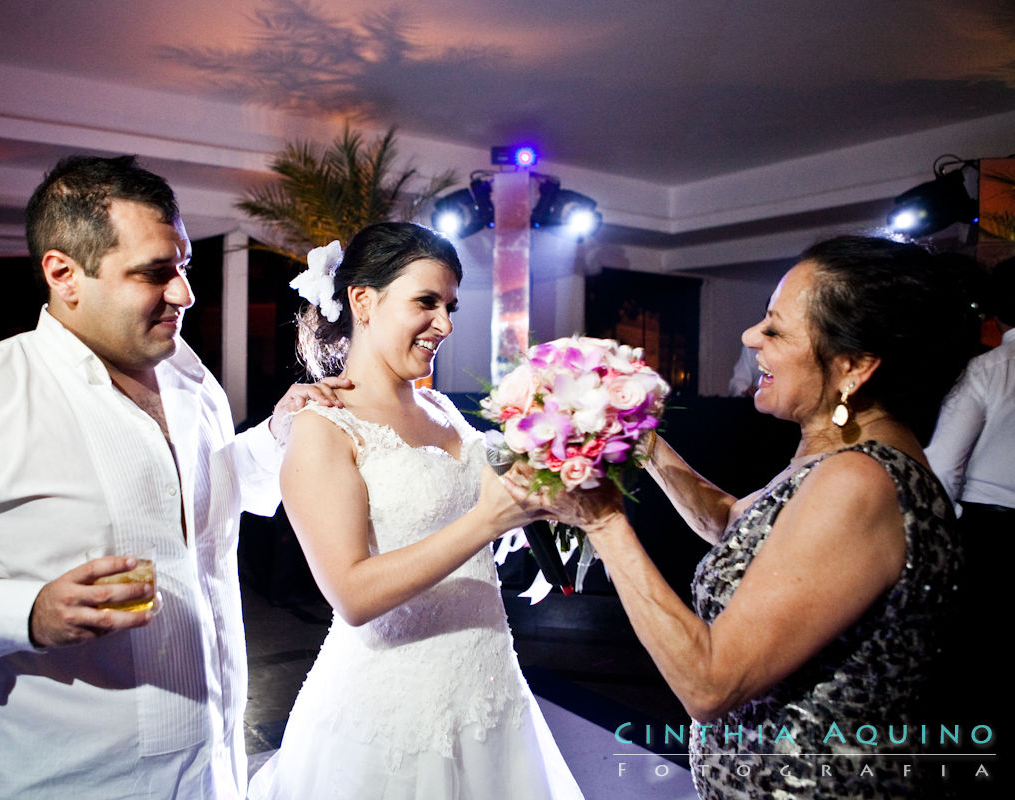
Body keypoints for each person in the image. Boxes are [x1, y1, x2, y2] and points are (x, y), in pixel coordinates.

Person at [0, 155, 345, 798]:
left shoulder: (187, 373)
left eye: (183, 266)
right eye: (156, 272)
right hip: (69, 777)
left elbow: (206, 499)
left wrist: (275, 435)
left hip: (216, 764)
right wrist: (26, 610)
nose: (184, 292)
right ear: (64, 273)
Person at [511, 236, 974, 799]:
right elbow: (735, 525)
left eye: (775, 329)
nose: (750, 336)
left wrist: (603, 521)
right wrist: (639, 435)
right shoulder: (837, 460)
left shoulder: (860, 482)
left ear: (852, 366)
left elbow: (710, 683)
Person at [248, 223, 582, 800]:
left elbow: (501, 485)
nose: (447, 324)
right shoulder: (323, 429)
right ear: (363, 300)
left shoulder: (444, 408)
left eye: (450, 305)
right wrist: (489, 521)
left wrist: (555, 476)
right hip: (391, 707)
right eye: (426, 302)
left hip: (489, 683)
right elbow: (351, 594)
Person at [925, 255, 1014, 734]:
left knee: (977, 667)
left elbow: (943, 467)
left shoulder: (985, 370)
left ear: (996, 313)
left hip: (989, 535)